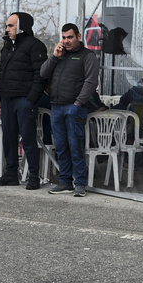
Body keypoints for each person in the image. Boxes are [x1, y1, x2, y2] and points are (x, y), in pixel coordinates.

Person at [0, 12, 48, 189]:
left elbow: (41, 76)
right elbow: (2, 73)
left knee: (28, 139)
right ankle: (11, 174)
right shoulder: (7, 46)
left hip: (24, 100)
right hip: (7, 100)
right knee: (8, 138)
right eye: (7, 26)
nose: (7, 29)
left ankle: (34, 177)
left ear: (22, 27)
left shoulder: (35, 46)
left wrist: (31, 99)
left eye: (11, 26)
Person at [40, 23, 99, 197]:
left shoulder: (87, 56)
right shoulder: (60, 55)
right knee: (60, 146)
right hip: (56, 107)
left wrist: (78, 104)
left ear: (78, 37)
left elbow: (91, 82)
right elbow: (43, 74)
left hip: (74, 108)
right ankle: (65, 182)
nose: (66, 41)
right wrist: (54, 56)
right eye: (64, 37)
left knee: (75, 146)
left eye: (70, 37)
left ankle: (80, 183)